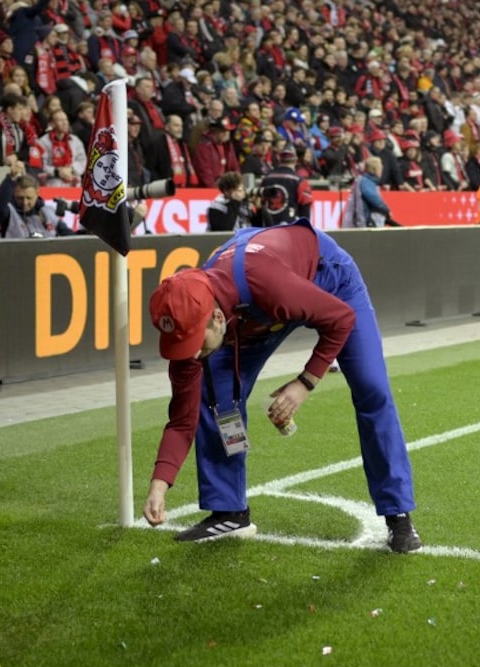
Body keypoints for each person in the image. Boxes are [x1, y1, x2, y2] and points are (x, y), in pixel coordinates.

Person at [143, 219, 422, 552]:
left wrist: (304, 382)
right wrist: (159, 486)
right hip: (252, 313)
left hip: (327, 281)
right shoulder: (190, 319)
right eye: (183, 346)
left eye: (195, 343)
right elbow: (181, 419)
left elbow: (341, 318)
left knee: (371, 388)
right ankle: (229, 510)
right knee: (214, 395)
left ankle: (398, 513)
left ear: (216, 319)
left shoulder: (267, 286)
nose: (193, 354)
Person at [0, 156, 71, 238]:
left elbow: (71, 236)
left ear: (37, 193)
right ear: (13, 194)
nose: (25, 203)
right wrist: (11, 178)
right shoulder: (8, 214)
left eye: (29, 198)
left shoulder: (48, 212)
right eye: (20, 198)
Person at [259, 147, 313, 226]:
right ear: (295, 160)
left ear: (279, 160)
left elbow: (260, 202)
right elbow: (305, 208)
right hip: (289, 227)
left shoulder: (266, 179)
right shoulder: (300, 181)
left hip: (267, 226)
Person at [341, 156, 395, 228]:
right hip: (362, 222)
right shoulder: (366, 181)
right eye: (380, 167)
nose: (382, 169)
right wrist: (386, 210)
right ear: (374, 169)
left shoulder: (367, 181)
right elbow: (373, 198)